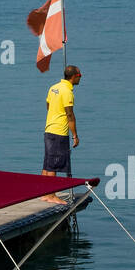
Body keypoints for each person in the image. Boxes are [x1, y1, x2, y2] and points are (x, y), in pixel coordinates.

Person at [41, 65, 82, 202]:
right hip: (59, 131)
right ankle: (51, 195)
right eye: (79, 76)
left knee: (47, 162)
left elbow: (48, 106)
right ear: (73, 77)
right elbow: (70, 114)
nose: (80, 78)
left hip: (48, 128)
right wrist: (75, 135)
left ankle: (43, 193)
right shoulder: (67, 92)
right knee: (54, 163)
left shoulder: (53, 87)